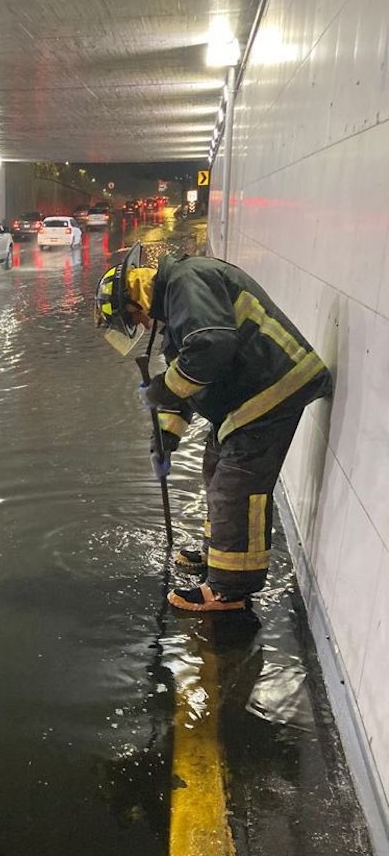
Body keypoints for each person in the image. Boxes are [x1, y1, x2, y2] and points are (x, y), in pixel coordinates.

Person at [94, 244, 333, 613]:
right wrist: (166, 435)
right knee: (215, 470)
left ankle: (229, 590)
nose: (141, 325)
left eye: (135, 318)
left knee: (236, 486)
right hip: (249, 396)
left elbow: (211, 347)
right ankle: (218, 556)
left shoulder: (188, 282)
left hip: (273, 385)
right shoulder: (176, 308)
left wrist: (165, 387)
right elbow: (188, 377)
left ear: (136, 300)